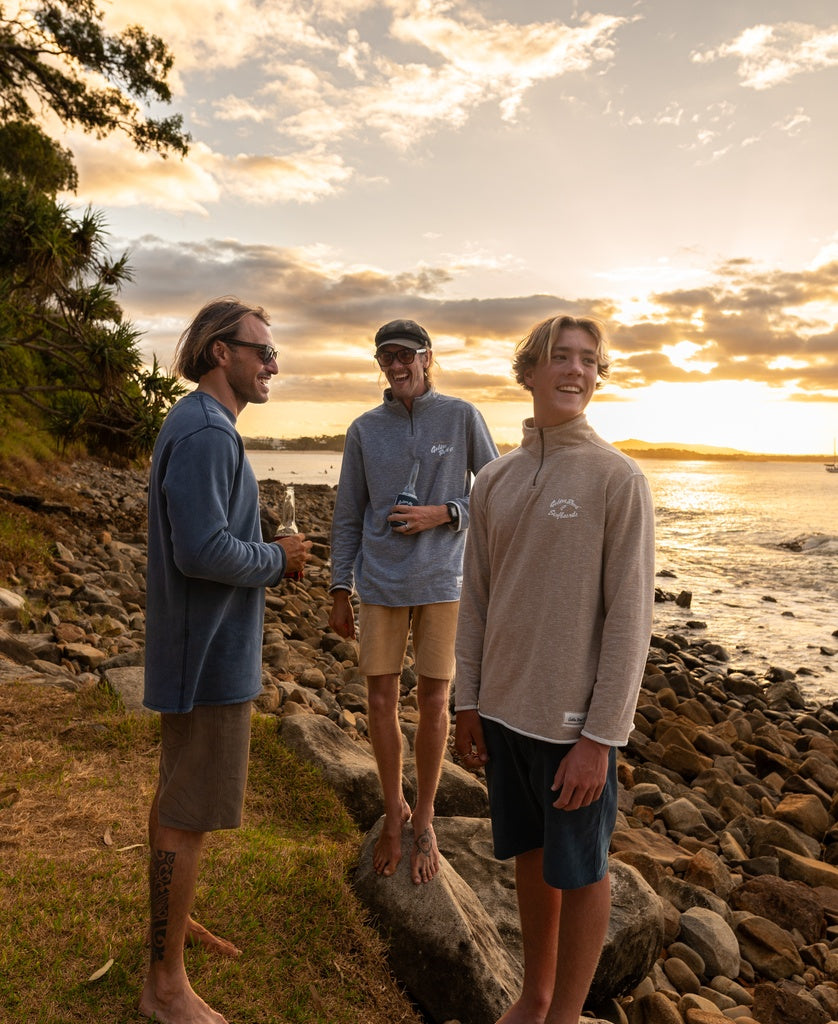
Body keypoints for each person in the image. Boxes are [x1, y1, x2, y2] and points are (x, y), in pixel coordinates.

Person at [454, 315, 654, 1024]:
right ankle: (534, 996)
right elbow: (474, 598)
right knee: (531, 856)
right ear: (529, 371)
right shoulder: (496, 481)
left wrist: (601, 738)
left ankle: (564, 1014)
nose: (575, 370)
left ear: (598, 376)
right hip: (504, 713)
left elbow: (631, 619)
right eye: (560, 357)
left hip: (573, 726)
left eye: (588, 361)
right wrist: (465, 701)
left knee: (584, 870)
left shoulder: (617, 479)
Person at [140, 297, 311, 1024]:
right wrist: (278, 556)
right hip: (209, 656)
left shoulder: (198, 424)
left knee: (175, 801)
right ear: (221, 352)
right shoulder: (209, 432)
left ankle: (167, 937)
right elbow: (201, 551)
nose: (272, 363)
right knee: (188, 817)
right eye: (262, 350)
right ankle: (165, 987)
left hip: (196, 648)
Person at [329, 318, 498, 884]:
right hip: (379, 583)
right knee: (379, 701)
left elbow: (498, 498)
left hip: (444, 583)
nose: (396, 365)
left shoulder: (461, 416)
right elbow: (348, 514)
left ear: (428, 357)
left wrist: (443, 513)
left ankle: (423, 815)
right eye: (386, 357)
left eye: (406, 355)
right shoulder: (363, 430)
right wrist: (338, 588)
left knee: (434, 700)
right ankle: (392, 812)